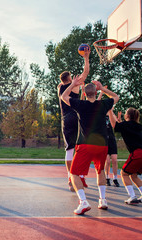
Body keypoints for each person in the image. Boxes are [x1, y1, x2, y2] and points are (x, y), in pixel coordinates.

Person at [61, 77, 119, 215]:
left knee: (74, 173)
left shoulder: (80, 104)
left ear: (85, 94)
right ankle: (103, 200)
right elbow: (116, 97)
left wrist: (73, 84)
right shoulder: (104, 104)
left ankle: (83, 202)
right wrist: (102, 89)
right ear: (95, 92)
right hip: (102, 145)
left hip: (85, 144)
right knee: (101, 171)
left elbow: (63, 96)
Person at [57, 47, 90, 191]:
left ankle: (70, 179)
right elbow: (86, 73)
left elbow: (64, 84)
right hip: (75, 117)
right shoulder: (74, 86)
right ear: (69, 78)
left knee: (69, 149)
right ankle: (77, 176)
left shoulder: (59, 87)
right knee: (79, 149)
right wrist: (86, 58)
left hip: (64, 119)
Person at [108, 107, 142, 204]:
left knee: (124, 174)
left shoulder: (126, 125)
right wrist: (119, 121)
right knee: (133, 175)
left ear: (127, 115)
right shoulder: (136, 125)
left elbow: (114, 125)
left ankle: (132, 197)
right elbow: (121, 126)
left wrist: (110, 110)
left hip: (139, 153)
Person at [97, 90, 120, 187]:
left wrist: (117, 117)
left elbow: (116, 123)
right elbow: (96, 103)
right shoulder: (100, 114)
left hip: (111, 139)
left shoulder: (111, 114)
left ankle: (115, 178)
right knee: (107, 160)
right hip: (103, 140)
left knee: (114, 159)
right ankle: (107, 178)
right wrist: (101, 92)